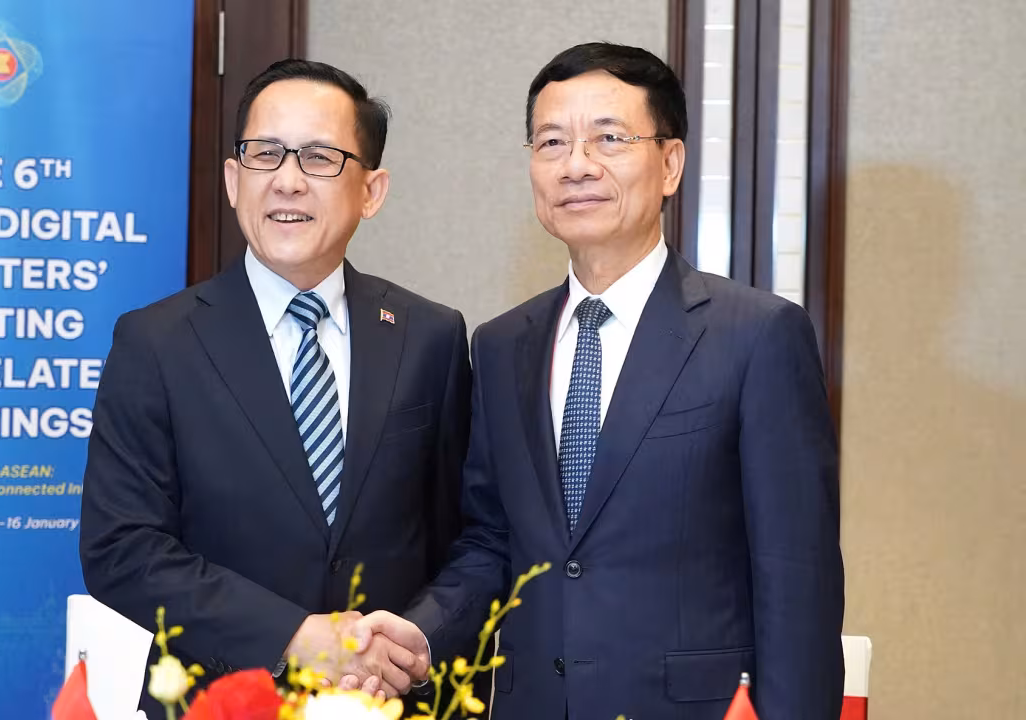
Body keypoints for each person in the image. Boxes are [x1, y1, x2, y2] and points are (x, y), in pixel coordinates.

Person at [350, 42, 845, 720]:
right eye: (551, 142)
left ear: (670, 163)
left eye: (609, 138)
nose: (576, 164)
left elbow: (797, 577)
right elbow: (494, 541)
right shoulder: (500, 346)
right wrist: (423, 633)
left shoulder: (757, 335)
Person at [79, 59, 466, 718]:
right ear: (234, 181)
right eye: (265, 154)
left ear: (371, 191)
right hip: (217, 701)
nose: (287, 180)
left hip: (390, 702)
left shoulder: (430, 336)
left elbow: (462, 536)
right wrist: (295, 638)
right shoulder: (156, 342)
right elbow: (122, 547)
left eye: (319, 157)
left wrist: (414, 642)